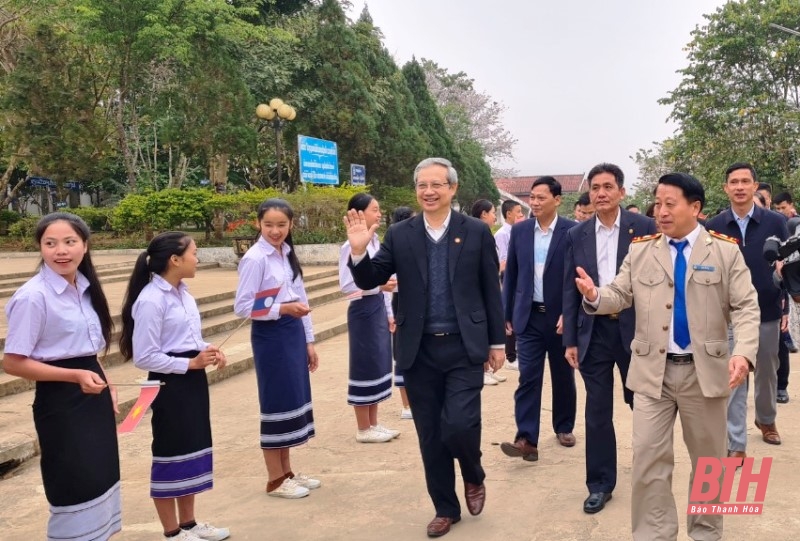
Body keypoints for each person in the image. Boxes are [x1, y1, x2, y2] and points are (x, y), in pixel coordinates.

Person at [575, 172, 760, 541]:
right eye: (657, 203)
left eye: (669, 204)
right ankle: (654, 534)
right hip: (651, 374)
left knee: (710, 464)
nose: (660, 211)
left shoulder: (723, 251)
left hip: (705, 374)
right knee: (648, 461)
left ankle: (706, 532)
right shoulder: (642, 249)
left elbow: (746, 307)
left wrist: (743, 354)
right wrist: (595, 296)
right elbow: (619, 294)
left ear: (695, 207)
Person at [344, 157, 505, 538]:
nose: (429, 192)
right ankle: (445, 508)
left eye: (437, 185)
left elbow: (489, 290)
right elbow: (371, 277)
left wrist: (497, 342)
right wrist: (357, 251)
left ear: (452, 189)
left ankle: (473, 472)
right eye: (422, 185)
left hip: (465, 347)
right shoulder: (402, 234)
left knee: (460, 425)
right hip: (418, 349)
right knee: (430, 434)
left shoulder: (476, 232)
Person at [3, 212, 121, 541]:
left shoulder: (84, 288)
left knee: (99, 477)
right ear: (40, 248)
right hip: (62, 402)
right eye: (50, 243)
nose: (61, 251)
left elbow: (87, 351)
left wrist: (105, 382)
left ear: (85, 245)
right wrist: (75, 377)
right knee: (73, 482)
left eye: (69, 242)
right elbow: (13, 362)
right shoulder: (33, 296)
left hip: (91, 394)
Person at [119, 232, 230, 541]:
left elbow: (188, 339)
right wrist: (189, 364)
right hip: (170, 384)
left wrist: (208, 350)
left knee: (192, 446)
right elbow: (145, 355)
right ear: (175, 260)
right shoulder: (152, 300)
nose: (198, 258)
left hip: (192, 381)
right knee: (170, 450)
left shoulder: (183, 293)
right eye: (195, 253)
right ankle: (172, 531)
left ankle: (190, 524)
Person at [562, 163, 657, 514]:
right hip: (594, 332)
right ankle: (600, 484)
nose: (600, 193)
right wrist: (570, 339)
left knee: (645, 407)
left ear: (621, 191)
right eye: (595, 187)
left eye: (607, 186)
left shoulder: (644, 228)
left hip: (636, 332)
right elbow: (568, 290)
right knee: (597, 410)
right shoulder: (576, 234)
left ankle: (651, 479)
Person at [234, 198, 320, 499]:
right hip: (271, 337)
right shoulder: (255, 258)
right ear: (258, 223)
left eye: (281, 225)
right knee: (276, 401)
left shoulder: (286, 253)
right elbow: (243, 306)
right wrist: (283, 309)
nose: (275, 231)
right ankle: (274, 479)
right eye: (268, 225)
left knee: (292, 398)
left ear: (291, 225)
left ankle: (286, 472)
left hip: (293, 332)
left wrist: (309, 341)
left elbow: (302, 297)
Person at [707, 163, 789, 456]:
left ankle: (766, 420)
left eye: (745, 181)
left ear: (755, 186)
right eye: (734, 182)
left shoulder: (776, 222)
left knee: (767, 371)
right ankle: (736, 442)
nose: (740, 187)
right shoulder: (714, 226)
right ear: (726, 188)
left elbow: (787, 265)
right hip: (728, 315)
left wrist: (786, 305)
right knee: (734, 375)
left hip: (766, 310)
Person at [500, 176, 578, 462]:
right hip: (529, 317)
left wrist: (570, 314)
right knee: (528, 377)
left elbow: (577, 277)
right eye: (532, 197)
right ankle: (526, 438)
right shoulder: (519, 231)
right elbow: (512, 275)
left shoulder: (573, 231)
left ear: (557, 200)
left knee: (562, 375)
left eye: (541, 197)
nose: (534, 202)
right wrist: (507, 313)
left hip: (559, 319)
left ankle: (564, 426)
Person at [339, 193, 399, 443]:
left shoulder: (376, 243)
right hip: (362, 310)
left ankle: (374, 422)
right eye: (375, 209)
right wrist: (378, 287)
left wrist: (389, 313)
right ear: (359, 214)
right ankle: (363, 427)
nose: (380, 213)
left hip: (376, 308)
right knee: (364, 363)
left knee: (378, 362)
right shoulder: (349, 247)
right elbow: (346, 286)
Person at [471, 199, 507, 386]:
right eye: (493, 212)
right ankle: (482, 369)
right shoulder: (472, 233)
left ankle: (488, 368)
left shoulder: (486, 234)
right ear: (483, 214)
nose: (495, 216)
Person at [391, 205, 416, 419]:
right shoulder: (395, 243)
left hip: (413, 300)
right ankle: (406, 405)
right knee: (401, 352)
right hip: (400, 300)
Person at [494, 199, 525, 371]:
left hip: (519, 279)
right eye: (519, 212)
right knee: (509, 316)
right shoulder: (502, 235)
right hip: (508, 280)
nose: (521, 215)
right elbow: (502, 262)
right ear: (509, 214)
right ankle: (510, 356)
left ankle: (515, 353)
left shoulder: (518, 232)